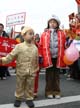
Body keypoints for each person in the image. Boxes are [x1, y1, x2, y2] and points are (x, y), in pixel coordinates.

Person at [0, 26, 39, 108]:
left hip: (31, 71)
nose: (32, 36)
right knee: (20, 85)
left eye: (33, 34)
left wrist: (36, 68)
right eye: (30, 34)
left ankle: (29, 99)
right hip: (21, 70)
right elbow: (11, 56)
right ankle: (18, 98)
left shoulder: (35, 48)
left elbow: (36, 59)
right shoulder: (19, 46)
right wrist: (3, 60)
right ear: (24, 35)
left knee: (30, 86)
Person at [39, 15, 66, 99]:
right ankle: (48, 92)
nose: (52, 24)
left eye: (54, 22)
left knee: (57, 76)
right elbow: (40, 45)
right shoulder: (44, 34)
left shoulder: (62, 33)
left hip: (58, 57)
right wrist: (40, 56)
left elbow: (65, 45)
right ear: (48, 23)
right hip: (48, 58)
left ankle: (57, 91)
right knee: (49, 76)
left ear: (57, 23)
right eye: (51, 22)